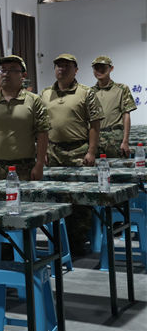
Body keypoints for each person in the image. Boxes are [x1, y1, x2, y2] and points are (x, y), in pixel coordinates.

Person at [40, 53, 104, 256]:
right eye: (58, 65)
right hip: (53, 152)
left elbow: (95, 124)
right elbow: (40, 127)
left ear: (76, 70)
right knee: (55, 196)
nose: (62, 69)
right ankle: (58, 241)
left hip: (78, 151)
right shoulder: (45, 94)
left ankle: (77, 242)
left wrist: (91, 151)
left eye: (67, 66)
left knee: (79, 199)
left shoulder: (85, 93)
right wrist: (42, 151)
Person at [0, 56, 49, 181]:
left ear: (23, 75)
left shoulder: (34, 101)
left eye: (13, 70)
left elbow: (43, 133)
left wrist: (39, 164)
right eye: (3, 70)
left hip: (25, 168)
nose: (6, 74)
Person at [90, 56, 137, 158]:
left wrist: (125, 141)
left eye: (103, 67)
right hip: (95, 138)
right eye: (96, 68)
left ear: (111, 68)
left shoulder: (122, 89)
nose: (99, 71)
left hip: (115, 138)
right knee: (94, 167)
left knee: (118, 167)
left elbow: (126, 115)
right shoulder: (89, 92)